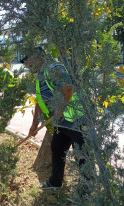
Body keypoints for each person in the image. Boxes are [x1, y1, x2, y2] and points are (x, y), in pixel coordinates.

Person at [20, 47, 88, 191]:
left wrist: (60, 109)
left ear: (37, 57)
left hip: (76, 120)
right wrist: (34, 125)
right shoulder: (40, 76)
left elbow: (69, 88)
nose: (27, 65)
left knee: (82, 155)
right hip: (61, 122)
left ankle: (86, 189)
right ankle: (55, 182)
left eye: (28, 61)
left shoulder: (54, 68)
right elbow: (39, 100)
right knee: (57, 149)